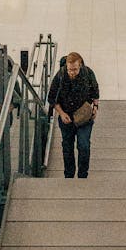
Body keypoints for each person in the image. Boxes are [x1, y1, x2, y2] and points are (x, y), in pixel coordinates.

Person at [47, 51, 100, 179]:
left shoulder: (88, 73)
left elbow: (95, 91)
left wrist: (95, 107)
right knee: (67, 146)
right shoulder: (60, 76)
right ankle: (69, 175)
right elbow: (52, 98)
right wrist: (61, 113)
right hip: (67, 118)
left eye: (75, 70)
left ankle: (83, 175)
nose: (72, 73)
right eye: (70, 70)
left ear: (80, 65)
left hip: (84, 118)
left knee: (84, 145)